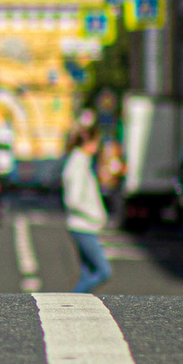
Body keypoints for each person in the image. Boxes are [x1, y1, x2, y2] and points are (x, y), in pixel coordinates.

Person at [61, 125, 111, 293]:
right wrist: (94, 215)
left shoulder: (81, 163)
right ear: (87, 143)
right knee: (103, 271)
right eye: (96, 142)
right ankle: (71, 300)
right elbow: (73, 200)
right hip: (83, 226)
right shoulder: (77, 166)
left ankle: (76, 309)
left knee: (88, 272)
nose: (97, 146)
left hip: (83, 225)